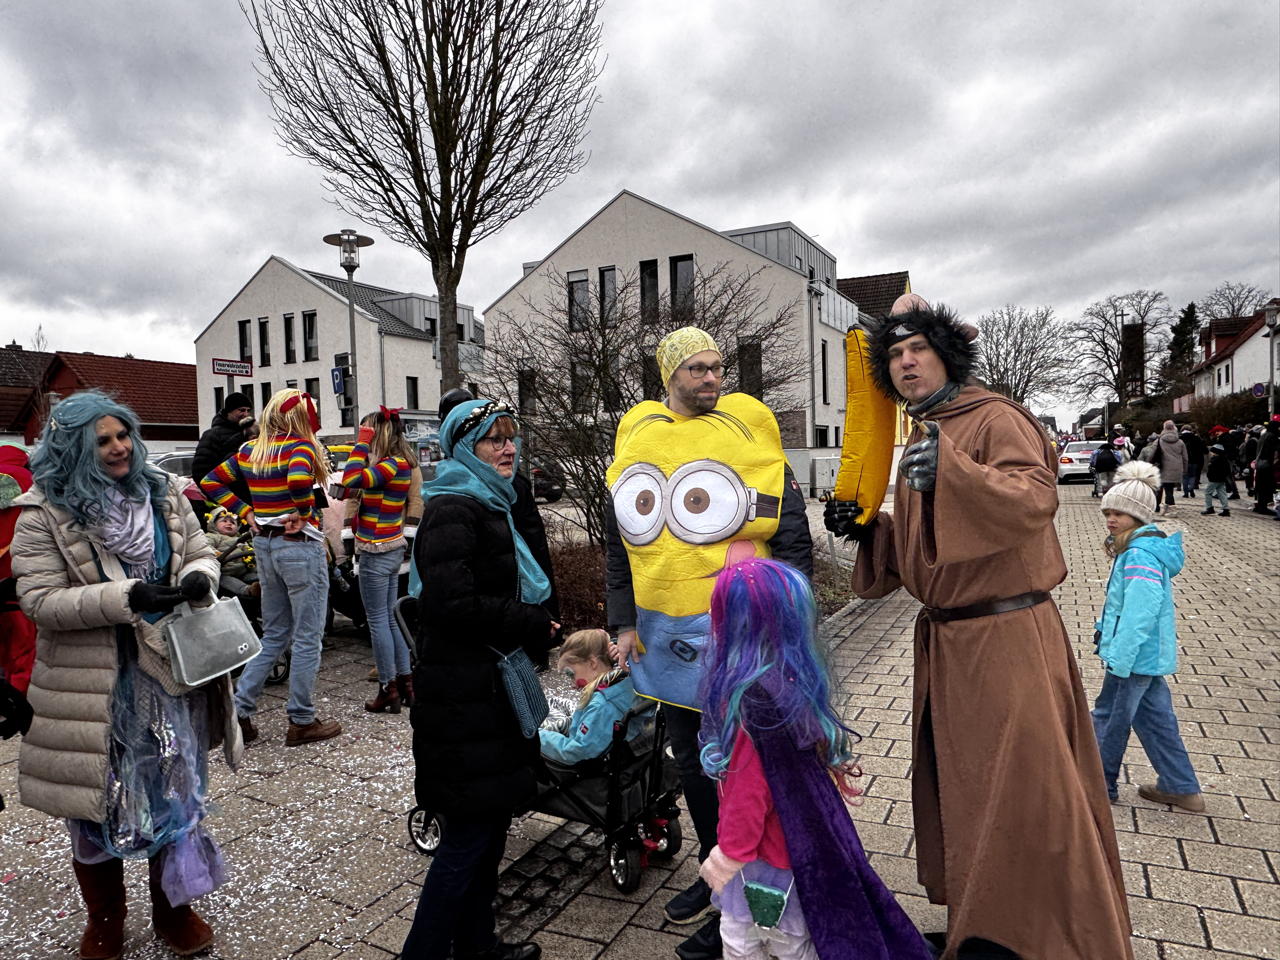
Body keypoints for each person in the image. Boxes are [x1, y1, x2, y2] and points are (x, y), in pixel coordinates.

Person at [824, 297, 1132, 960]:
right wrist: (870, 531)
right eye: (895, 355)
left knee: (1023, 792)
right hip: (950, 644)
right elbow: (922, 544)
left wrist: (955, 472)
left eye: (918, 350)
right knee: (967, 790)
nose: (906, 362)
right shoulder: (923, 432)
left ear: (946, 354)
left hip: (1006, 640)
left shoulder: (995, 418)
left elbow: (1034, 496)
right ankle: (984, 923)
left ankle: (1039, 936)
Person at [605, 327, 813, 960]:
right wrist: (623, 623)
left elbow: (793, 534)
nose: (712, 378)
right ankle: (712, 867)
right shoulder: (643, 438)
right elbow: (622, 545)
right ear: (670, 376)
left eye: (717, 367)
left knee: (745, 764)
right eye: (697, 369)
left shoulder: (746, 437)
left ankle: (751, 887)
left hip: (744, 636)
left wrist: (794, 619)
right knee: (692, 761)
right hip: (669, 641)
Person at [12, 391, 241, 959]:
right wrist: (125, 596)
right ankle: (105, 920)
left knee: (174, 792)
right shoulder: (43, 513)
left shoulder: (161, 491)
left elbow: (200, 549)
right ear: (72, 449)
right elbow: (39, 600)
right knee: (99, 801)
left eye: (123, 435)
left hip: (169, 672)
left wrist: (198, 577)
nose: (118, 448)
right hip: (93, 685)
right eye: (102, 441)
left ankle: (174, 910)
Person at [696, 558, 933, 960]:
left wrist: (728, 855)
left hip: (763, 858)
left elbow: (749, 794)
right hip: (799, 846)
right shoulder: (788, 680)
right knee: (796, 936)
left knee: (748, 940)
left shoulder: (751, 705)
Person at [402, 397, 558, 960]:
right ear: (465, 447)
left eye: (512, 437)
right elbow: (451, 605)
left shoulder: (490, 502)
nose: (508, 448)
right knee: (467, 840)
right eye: (494, 439)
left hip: (483, 687)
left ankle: (476, 945)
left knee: (487, 833)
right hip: (462, 693)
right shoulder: (455, 508)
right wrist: (530, 621)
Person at [200, 388, 341, 747]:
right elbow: (297, 480)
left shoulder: (250, 450)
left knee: (275, 633)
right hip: (299, 547)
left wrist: (246, 511)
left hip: (265, 545)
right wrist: (304, 511)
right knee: (308, 637)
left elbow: (209, 481)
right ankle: (301, 719)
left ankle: (241, 711)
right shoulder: (300, 447)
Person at [1092, 462, 1203, 811]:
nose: (1111, 519)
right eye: (1108, 512)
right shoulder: (1139, 549)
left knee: (1110, 717)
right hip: (1144, 656)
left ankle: (1099, 784)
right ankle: (1180, 786)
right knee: (1155, 719)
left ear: (1139, 517)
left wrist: (1120, 656)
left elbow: (1141, 611)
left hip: (1133, 657)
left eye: (1120, 514)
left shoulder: (1140, 554)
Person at [340, 406, 416, 714]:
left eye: (370, 434)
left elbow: (351, 477)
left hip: (376, 549)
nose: (368, 441)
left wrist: (360, 442)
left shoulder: (390, 465)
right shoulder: (401, 463)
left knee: (378, 621)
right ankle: (406, 683)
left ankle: (388, 687)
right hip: (391, 547)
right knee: (389, 617)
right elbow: (354, 485)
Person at [539, 628, 637, 766]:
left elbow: (578, 752)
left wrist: (539, 737)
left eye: (571, 675)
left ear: (592, 663)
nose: (573, 685)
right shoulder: (627, 682)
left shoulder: (602, 705)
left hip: (595, 775)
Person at [191, 392, 255, 510]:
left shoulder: (250, 434)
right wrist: (218, 499)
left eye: (248, 410)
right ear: (229, 411)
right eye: (241, 410)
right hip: (226, 502)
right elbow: (200, 472)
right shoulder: (212, 435)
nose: (246, 414)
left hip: (250, 501)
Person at [205, 505, 259, 597]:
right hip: (223, 571)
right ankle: (247, 590)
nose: (229, 524)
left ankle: (263, 586)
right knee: (224, 580)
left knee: (257, 576)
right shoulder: (212, 536)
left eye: (233, 523)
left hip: (243, 570)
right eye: (224, 521)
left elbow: (249, 553)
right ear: (213, 524)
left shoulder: (241, 539)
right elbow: (206, 546)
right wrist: (217, 554)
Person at [1148, 421, 1186, 515]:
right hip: (1176, 468)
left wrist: (1149, 464)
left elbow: (1152, 454)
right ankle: (1168, 506)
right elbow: (1185, 457)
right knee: (1169, 489)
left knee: (1159, 488)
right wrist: (1184, 469)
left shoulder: (1159, 440)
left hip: (1162, 467)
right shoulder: (1180, 442)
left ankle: (1161, 507)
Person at [1252, 418, 1278, 516]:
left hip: (1259, 464)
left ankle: (1260, 506)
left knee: (1260, 486)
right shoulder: (1272, 436)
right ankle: (1263, 507)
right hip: (1266, 464)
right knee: (1265, 486)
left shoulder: (1263, 435)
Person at [1201, 444, 1232, 516]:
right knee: (1222, 493)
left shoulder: (1214, 460)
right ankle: (1226, 509)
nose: (1211, 453)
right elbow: (1228, 470)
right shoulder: (1225, 459)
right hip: (1222, 479)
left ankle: (1209, 508)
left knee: (1208, 492)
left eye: (1212, 451)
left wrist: (1209, 477)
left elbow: (1211, 471)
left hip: (1214, 479)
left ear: (1216, 452)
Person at [1178, 426, 1204, 498]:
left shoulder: (1180, 439)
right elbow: (1201, 450)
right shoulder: (1196, 438)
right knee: (1192, 476)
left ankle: (1186, 493)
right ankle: (1191, 488)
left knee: (1185, 477)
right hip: (1194, 460)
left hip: (1183, 460)